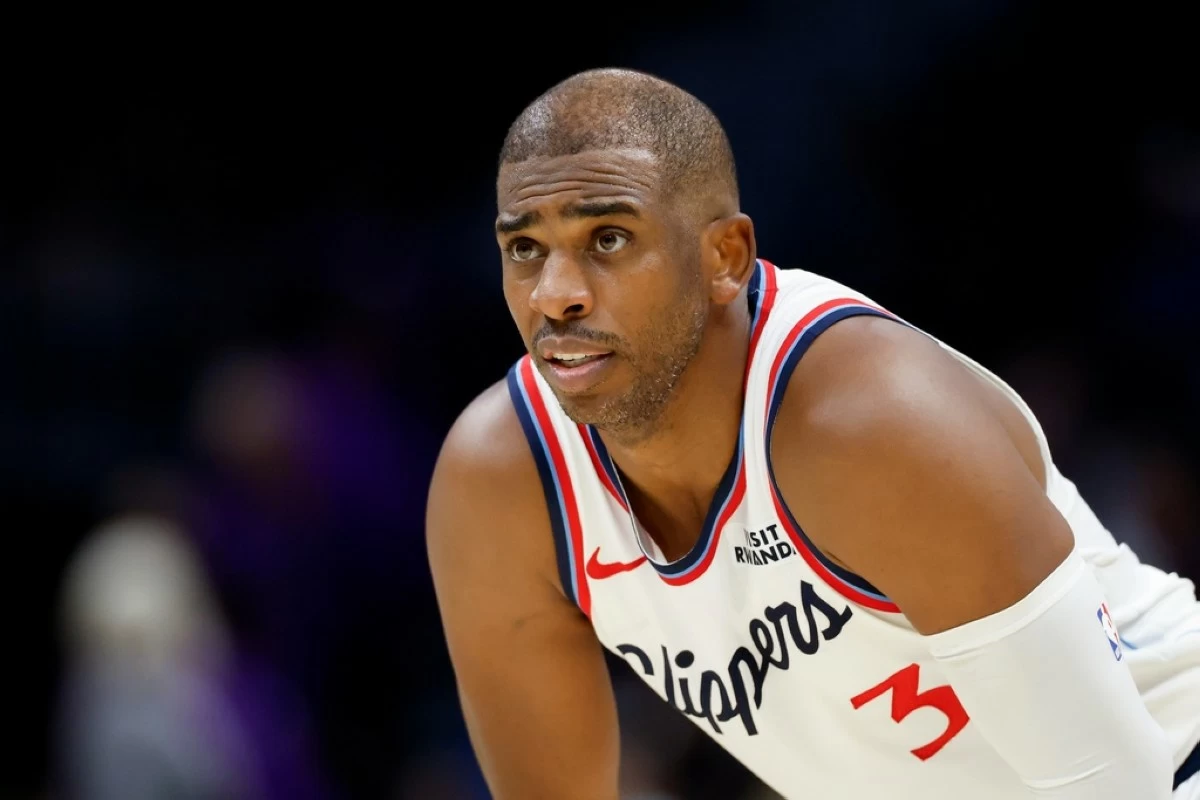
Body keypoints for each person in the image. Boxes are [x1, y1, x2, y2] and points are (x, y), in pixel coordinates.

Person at [425, 67, 1200, 799]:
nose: (555, 295)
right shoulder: (500, 483)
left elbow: (1117, 784)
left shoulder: (871, 423)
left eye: (609, 240)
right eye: (525, 249)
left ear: (724, 257)